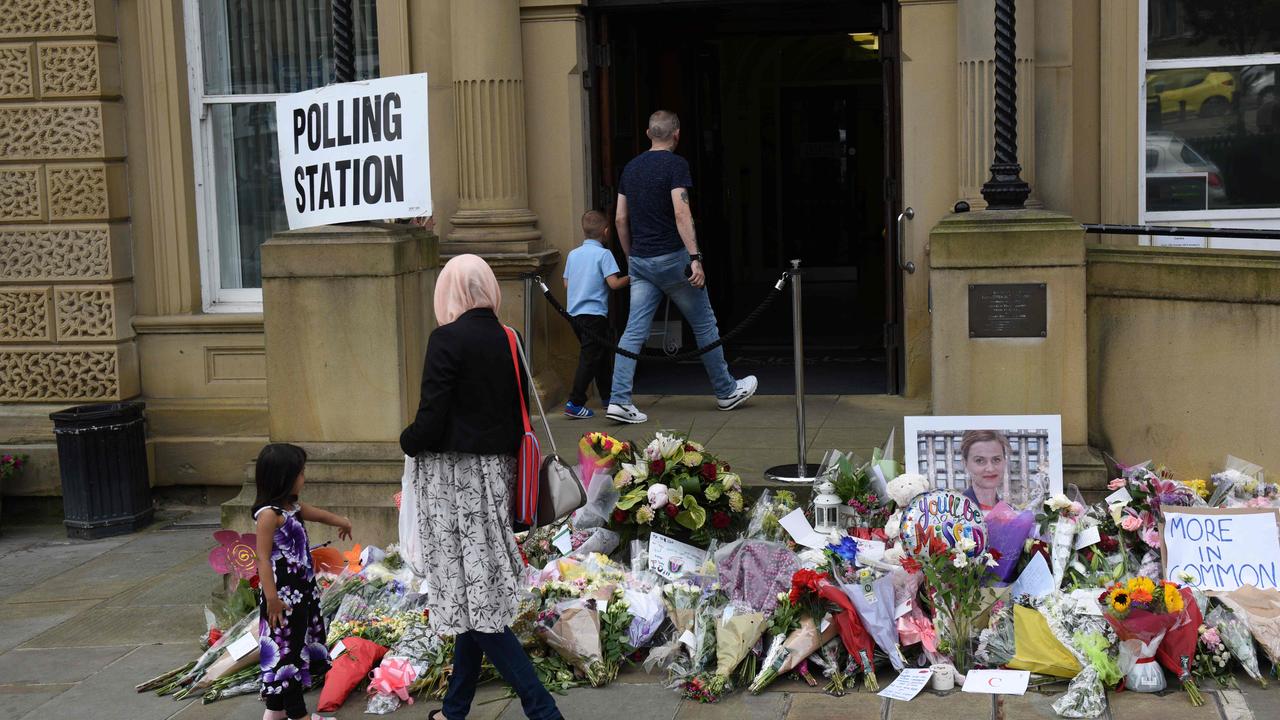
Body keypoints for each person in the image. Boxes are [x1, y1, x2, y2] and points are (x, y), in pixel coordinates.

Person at [400, 254, 563, 720]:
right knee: (473, 596)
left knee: (479, 607)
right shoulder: (509, 337)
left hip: (455, 483)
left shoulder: (446, 339)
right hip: (497, 476)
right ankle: (454, 711)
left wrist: (406, 440)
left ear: (450, 292)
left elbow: (430, 420)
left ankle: (543, 710)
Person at [606, 109, 757, 424]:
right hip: (673, 259)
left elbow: (620, 218)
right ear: (676, 135)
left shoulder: (631, 168)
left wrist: (631, 256)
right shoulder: (676, 165)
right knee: (703, 325)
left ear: (649, 134)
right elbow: (681, 213)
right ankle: (726, 391)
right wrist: (695, 257)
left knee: (633, 331)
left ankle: (619, 399)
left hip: (641, 261)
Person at [252, 443, 353, 720]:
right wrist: (272, 599)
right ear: (284, 477)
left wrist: (341, 520)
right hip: (282, 598)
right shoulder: (268, 515)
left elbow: (316, 513)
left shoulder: (290, 507)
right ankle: (298, 715)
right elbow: (262, 559)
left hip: (301, 594)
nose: (304, 477)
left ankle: (274, 712)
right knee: (288, 657)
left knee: (293, 648)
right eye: (301, 472)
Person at [563, 210, 629, 419]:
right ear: (606, 231)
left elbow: (566, 283)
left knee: (598, 355)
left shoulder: (573, 254)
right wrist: (632, 277)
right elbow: (614, 283)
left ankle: (608, 396)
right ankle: (575, 402)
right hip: (595, 315)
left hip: (574, 314)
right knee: (590, 358)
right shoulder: (604, 254)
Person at [959, 430, 1011, 510]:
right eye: (979, 460)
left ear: (1005, 461)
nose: (990, 468)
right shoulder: (953, 512)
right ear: (965, 464)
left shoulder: (1010, 512)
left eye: (996, 459)